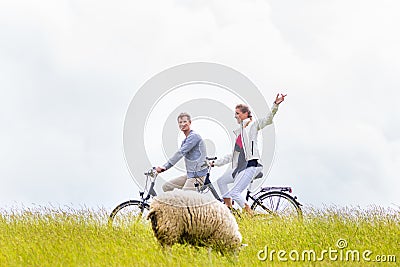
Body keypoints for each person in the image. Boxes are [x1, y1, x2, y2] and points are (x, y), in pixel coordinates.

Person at [212, 94, 287, 213]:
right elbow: (233, 155)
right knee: (221, 181)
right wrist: (215, 163)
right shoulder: (239, 133)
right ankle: (229, 210)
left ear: (245, 114)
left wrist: (275, 105)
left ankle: (249, 215)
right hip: (241, 167)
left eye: (237, 113)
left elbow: (268, 120)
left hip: (251, 165)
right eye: (235, 113)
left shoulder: (252, 126)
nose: (235, 116)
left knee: (235, 193)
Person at [156, 112, 208, 192]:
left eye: (185, 121)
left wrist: (165, 166)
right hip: (190, 175)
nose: (182, 124)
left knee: (183, 197)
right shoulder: (185, 141)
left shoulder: (193, 136)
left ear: (190, 122)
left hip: (198, 176)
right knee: (167, 187)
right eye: (180, 122)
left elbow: (180, 153)